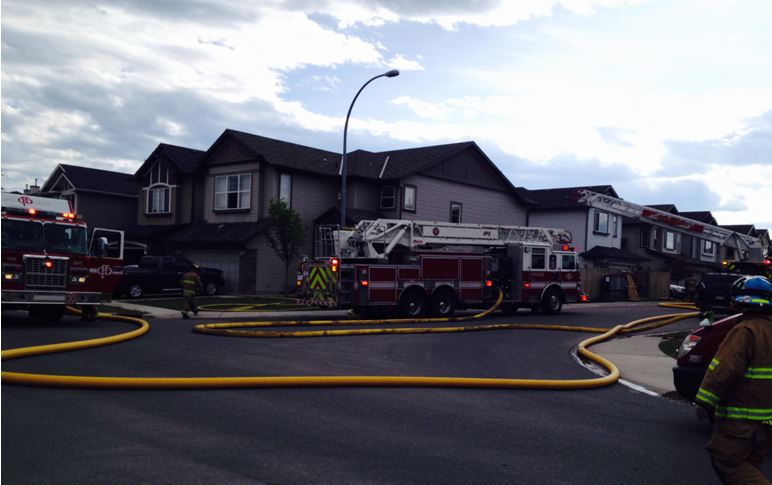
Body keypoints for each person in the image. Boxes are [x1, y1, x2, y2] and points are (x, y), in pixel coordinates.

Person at [695, 275, 772, 484]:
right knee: (751, 463)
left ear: (738, 300)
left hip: (741, 419)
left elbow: (724, 369)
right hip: (766, 422)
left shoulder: (744, 331)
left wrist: (704, 400)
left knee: (726, 461)